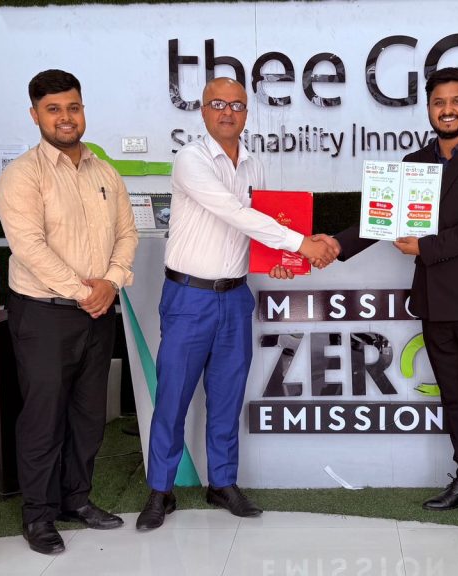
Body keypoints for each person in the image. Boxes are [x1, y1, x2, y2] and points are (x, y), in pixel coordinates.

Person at [136, 77, 339, 531]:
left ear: (247, 112)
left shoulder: (253, 164)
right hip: (189, 296)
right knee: (173, 396)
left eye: (237, 105)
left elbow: (257, 227)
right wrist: (301, 244)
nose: (228, 112)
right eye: (218, 103)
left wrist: (280, 261)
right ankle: (160, 490)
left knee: (227, 396)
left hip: (234, 297)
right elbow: (233, 212)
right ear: (203, 111)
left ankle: (222, 482)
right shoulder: (190, 159)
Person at [334, 67, 458, 529]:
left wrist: (427, 246)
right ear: (429, 108)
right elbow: (379, 216)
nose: (447, 110)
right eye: (439, 102)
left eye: (456, 101)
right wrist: (334, 245)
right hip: (434, 302)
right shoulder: (413, 162)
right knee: (455, 397)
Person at [0, 69, 138, 555]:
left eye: (72, 107)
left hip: (97, 312)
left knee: (88, 415)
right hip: (44, 314)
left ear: (83, 110)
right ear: (34, 115)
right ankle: (38, 515)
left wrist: (111, 283)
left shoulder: (105, 172)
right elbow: (29, 247)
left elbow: (127, 234)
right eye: (53, 109)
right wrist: (85, 291)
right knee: (43, 417)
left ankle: (76, 499)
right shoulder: (22, 175)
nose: (65, 117)